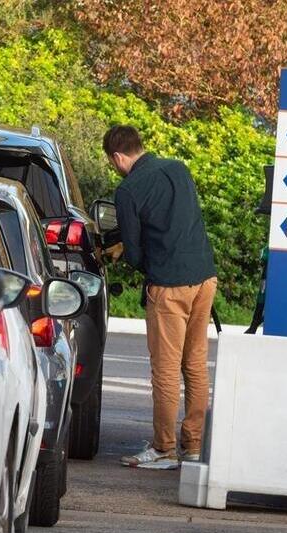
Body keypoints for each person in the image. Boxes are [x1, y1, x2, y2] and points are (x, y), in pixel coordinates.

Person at [104, 125, 218, 470]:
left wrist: (122, 250)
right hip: (204, 277)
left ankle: (164, 450)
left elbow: (137, 253)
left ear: (118, 157)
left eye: (113, 163)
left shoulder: (128, 190)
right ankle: (194, 446)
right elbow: (178, 223)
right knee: (195, 365)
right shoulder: (178, 169)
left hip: (169, 287)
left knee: (166, 371)